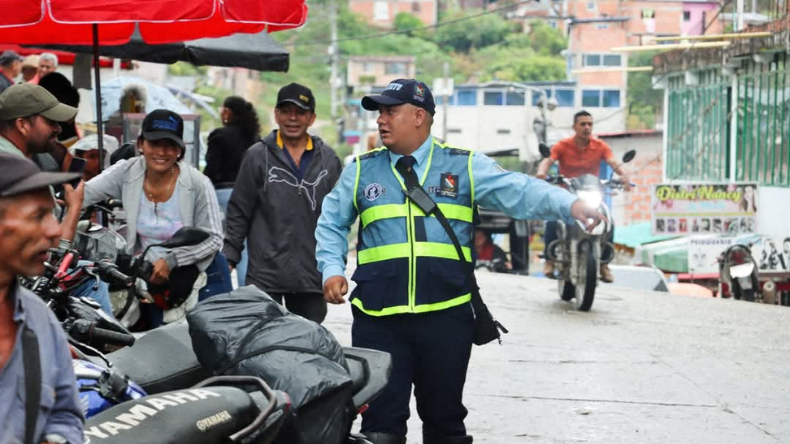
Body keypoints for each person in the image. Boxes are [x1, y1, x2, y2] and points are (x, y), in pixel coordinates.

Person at [316, 79, 604, 444]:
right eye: (380, 113)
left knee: (445, 424)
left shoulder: (462, 165)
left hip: (446, 316)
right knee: (380, 429)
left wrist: (570, 204)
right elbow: (332, 222)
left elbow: (519, 191)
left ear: (418, 116)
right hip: (379, 319)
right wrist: (332, 269)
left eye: (391, 111)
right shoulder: (361, 170)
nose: (381, 120)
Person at [83, 109, 226, 327]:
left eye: (169, 145)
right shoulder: (127, 172)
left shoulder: (198, 183)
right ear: (141, 144)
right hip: (155, 280)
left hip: (203, 275)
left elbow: (214, 238)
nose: (161, 152)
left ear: (179, 150)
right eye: (154, 143)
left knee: (211, 338)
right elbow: (83, 194)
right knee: (162, 342)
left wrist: (172, 260)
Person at [224, 83, 342, 323]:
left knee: (306, 341)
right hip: (265, 276)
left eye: (300, 112)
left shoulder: (328, 160)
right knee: (263, 339)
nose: (292, 118)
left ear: (311, 118)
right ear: (276, 115)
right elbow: (239, 211)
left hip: (311, 275)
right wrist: (229, 256)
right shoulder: (257, 156)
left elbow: (339, 218)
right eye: (286, 111)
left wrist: (335, 268)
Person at [0, 153, 84, 444]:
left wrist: (56, 439)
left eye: (52, 214)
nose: (55, 230)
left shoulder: (39, 318)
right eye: (38, 216)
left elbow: (65, 415)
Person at [536, 110, 632, 283]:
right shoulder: (562, 145)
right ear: (574, 127)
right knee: (552, 220)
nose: (587, 127)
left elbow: (613, 162)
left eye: (590, 124)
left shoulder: (600, 146)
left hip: (591, 193)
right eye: (583, 124)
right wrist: (542, 173)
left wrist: (624, 175)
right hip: (567, 194)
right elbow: (548, 160)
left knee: (608, 221)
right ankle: (549, 261)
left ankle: (604, 264)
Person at [204, 96, 261, 287]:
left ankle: (220, 287)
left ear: (227, 112)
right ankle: (248, 290)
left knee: (221, 241)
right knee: (245, 245)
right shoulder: (254, 138)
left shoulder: (219, 136)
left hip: (224, 193)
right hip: (251, 195)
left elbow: (212, 169)